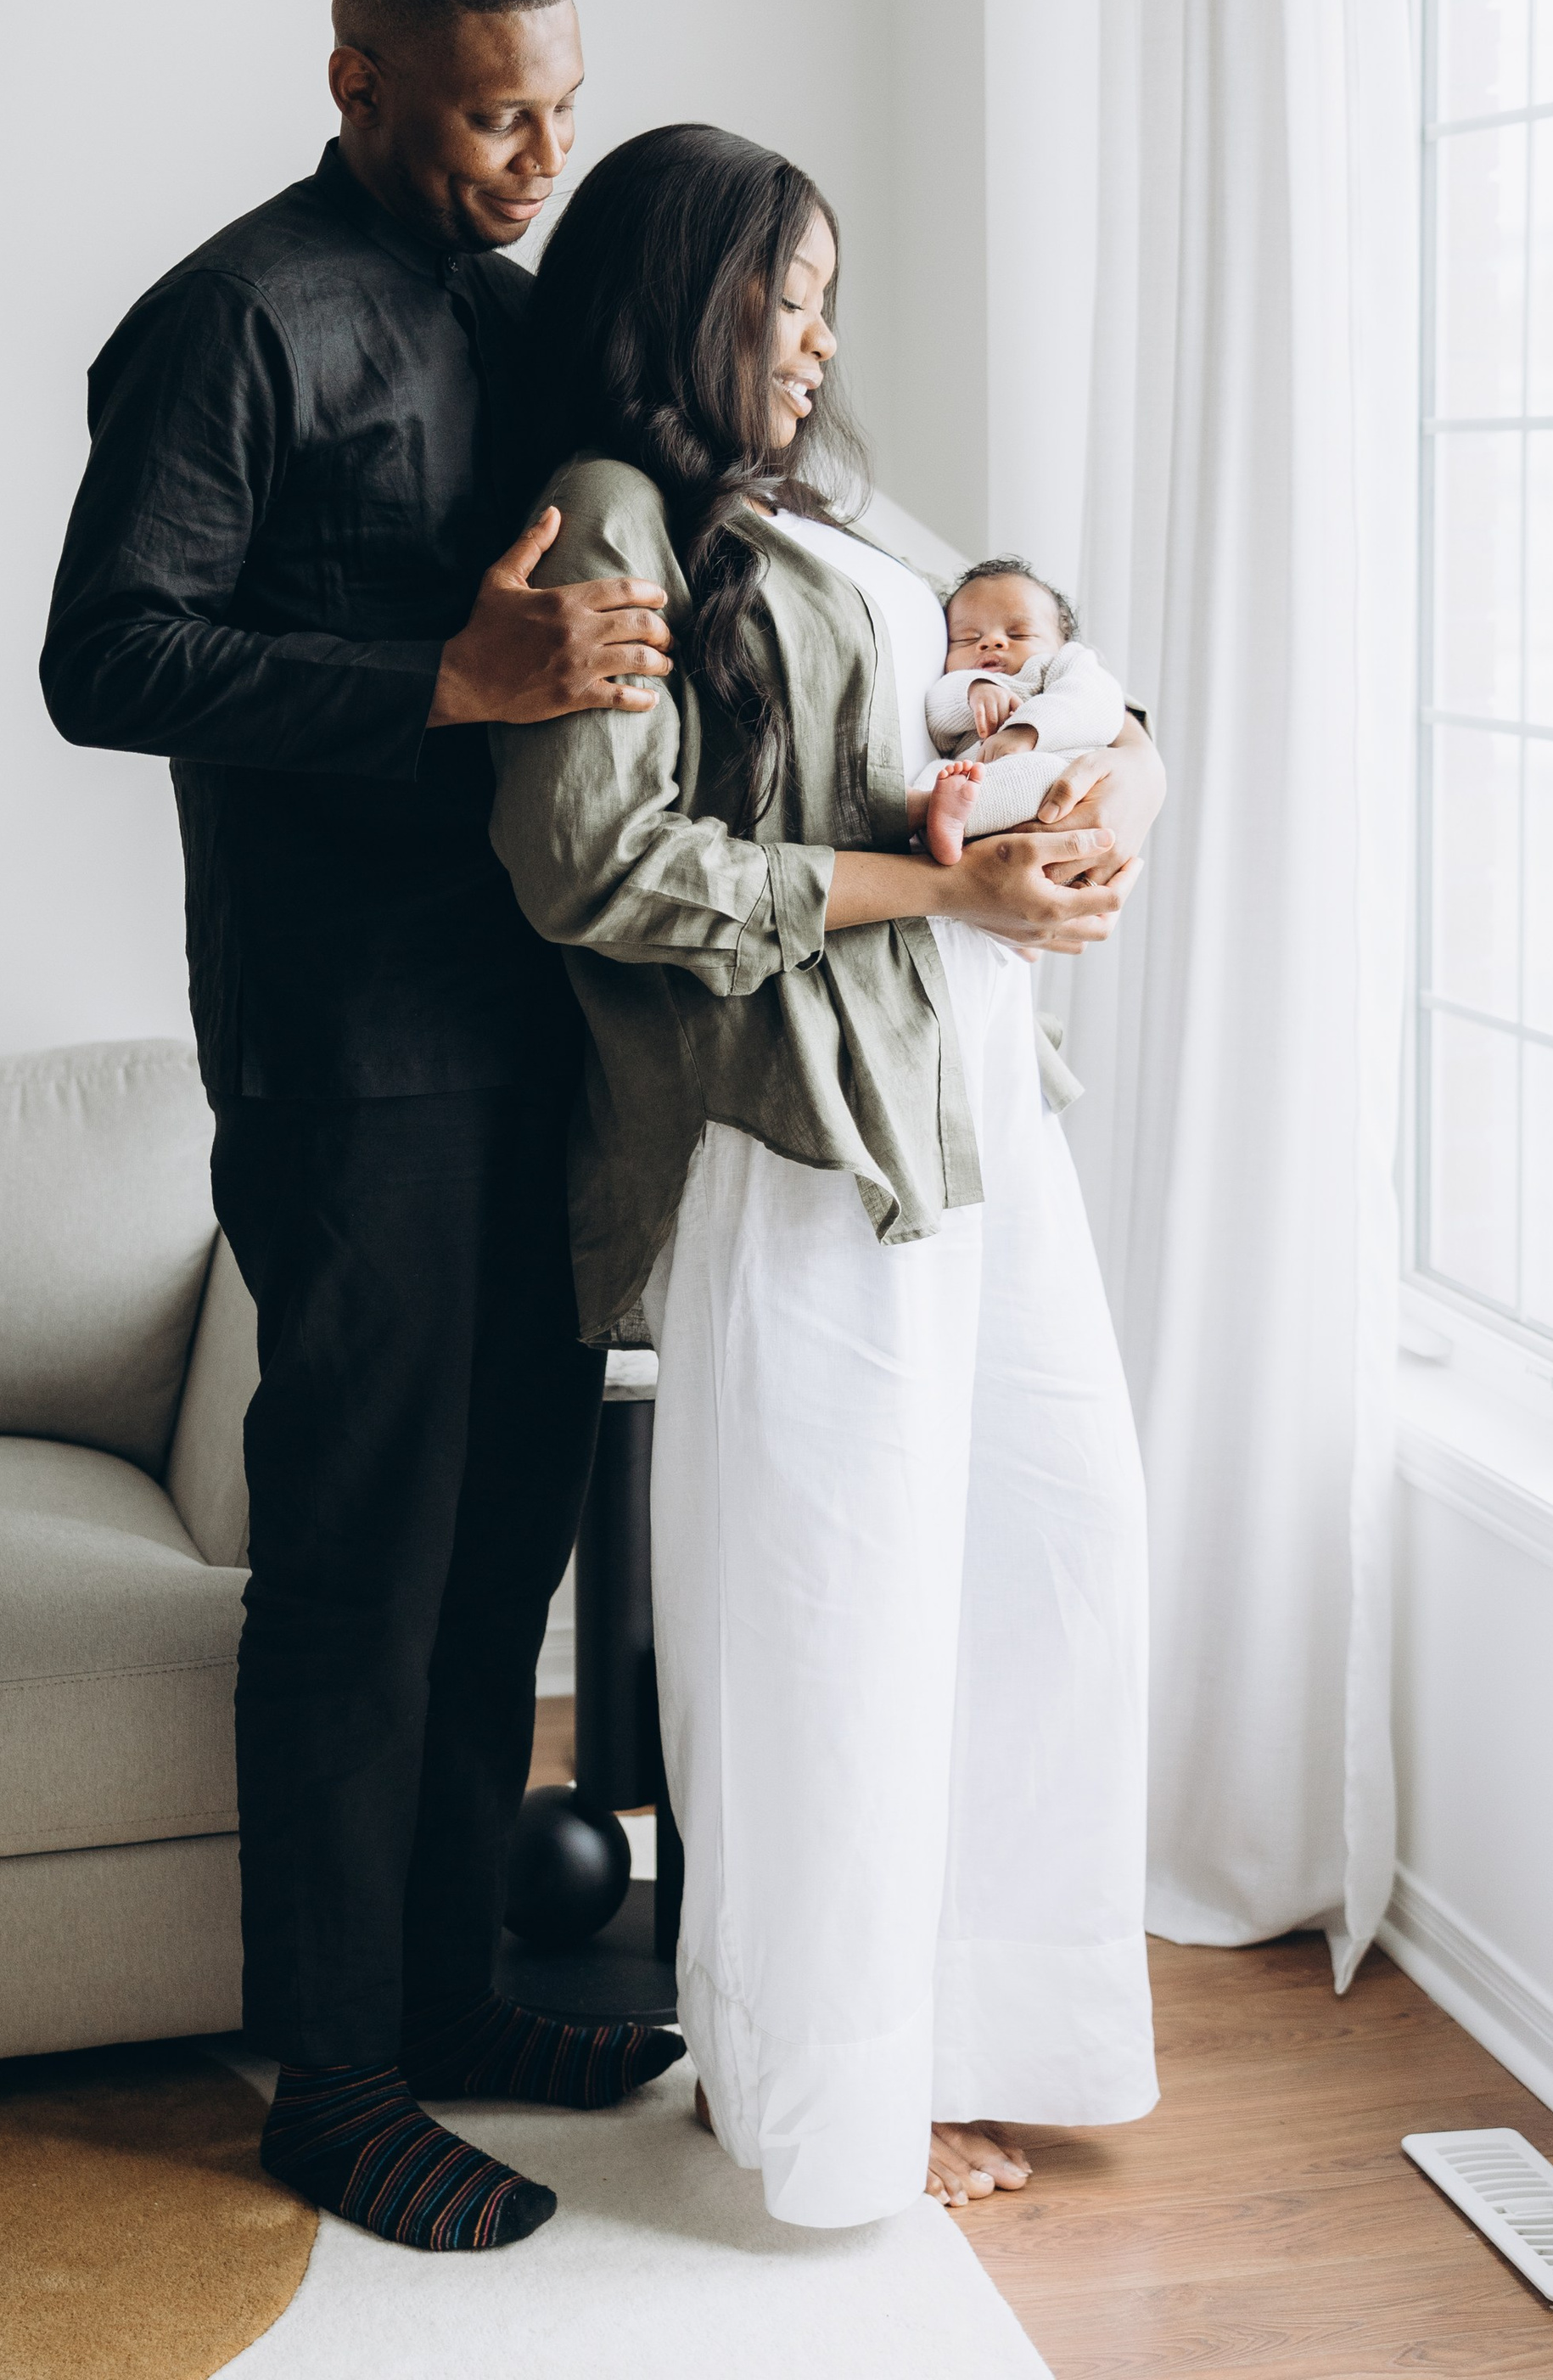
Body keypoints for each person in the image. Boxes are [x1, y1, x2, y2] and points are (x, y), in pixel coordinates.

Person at [40, 0, 698, 2254]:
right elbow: (106, 658)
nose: (540, 157)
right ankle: (332, 2086)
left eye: (562, 112)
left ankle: (448, 1995)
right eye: (498, 114)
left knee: (505, 1539)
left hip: (537, 1025)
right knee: (361, 1558)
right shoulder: (227, 319)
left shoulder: (519, 321)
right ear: (359, 80)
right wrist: (445, 680)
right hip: (347, 1047)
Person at [487, 122, 1166, 2229]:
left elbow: (1047, 668)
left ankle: (979, 2023)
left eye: (823, 302)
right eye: (780, 301)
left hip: (974, 1102)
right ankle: (829, 2087)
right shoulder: (615, 511)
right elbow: (592, 864)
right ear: (683, 299)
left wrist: (1109, 789)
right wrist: (938, 886)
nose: (814, 341)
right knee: (834, 1614)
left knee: (1047, 1550)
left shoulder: (810, 504)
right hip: (803, 1130)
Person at [910, 559, 1126, 862]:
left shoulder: (1064, 664)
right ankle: (933, 819)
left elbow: (1097, 701)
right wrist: (973, 690)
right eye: (968, 638)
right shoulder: (959, 682)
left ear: (1061, 642)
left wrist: (1025, 731)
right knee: (937, 773)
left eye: (1019, 634)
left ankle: (943, 816)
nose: (991, 642)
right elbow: (935, 719)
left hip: (1052, 777)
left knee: (1044, 773)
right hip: (968, 783)